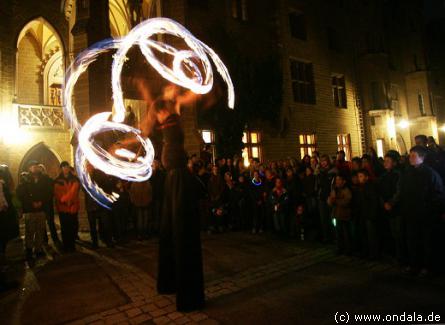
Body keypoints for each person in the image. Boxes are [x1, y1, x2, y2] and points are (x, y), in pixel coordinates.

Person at [151, 97, 205, 312]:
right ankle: (170, 283)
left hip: (178, 180)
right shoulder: (167, 123)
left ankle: (186, 293)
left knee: (181, 234)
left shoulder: (171, 121)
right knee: (170, 233)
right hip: (173, 180)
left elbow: (182, 96)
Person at [399, 146, 444, 276]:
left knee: (426, 242)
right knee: (413, 241)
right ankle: (414, 264)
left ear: (422, 158)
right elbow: (403, 192)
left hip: (426, 216)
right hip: (411, 214)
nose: (410, 158)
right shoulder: (407, 173)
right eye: (410, 155)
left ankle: (427, 267)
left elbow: (438, 195)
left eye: (414, 156)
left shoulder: (430, 174)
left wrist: (431, 211)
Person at [16, 160, 52, 261]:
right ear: (29, 168)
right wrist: (31, 202)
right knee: (30, 231)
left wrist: (42, 202)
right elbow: (21, 194)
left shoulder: (44, 179)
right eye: (32, 166)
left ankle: (39, 249)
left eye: (36, 166)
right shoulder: (25, 179)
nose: (35, 168)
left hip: (41, 209)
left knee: (40, 230)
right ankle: (29, 250)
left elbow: (48, 192)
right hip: (29, 210)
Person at [54, 161, 80, 252]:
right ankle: (66, 245)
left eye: (67, 167)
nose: (66, 168)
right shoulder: (57, 180)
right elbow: (58, 194)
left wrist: (66, 199)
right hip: (63, 208)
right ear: (61, 168)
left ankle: (72, 245)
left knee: (72, 227)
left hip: (72, 207)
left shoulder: (75, 179)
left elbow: (75, 192)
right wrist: (64, 200)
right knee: (65, 228)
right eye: (64, 167)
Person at [357, 169, 380, 259]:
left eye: (361, 176)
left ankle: (374, 253)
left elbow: (373, 202)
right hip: (364, 214)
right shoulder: (362, 187)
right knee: (365, 234)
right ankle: (368, 252)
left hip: (369, 215)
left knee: (371, 236)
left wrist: (372, 214)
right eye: (358, 176)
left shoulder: (369, 187)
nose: (359, 178)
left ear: (366, 177)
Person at [328, 174, 352, 255]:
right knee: (338, 232)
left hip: (344, 215)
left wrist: (336, 201)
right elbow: (329, 201)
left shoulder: (346, 190)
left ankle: (348, 249)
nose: (337, 181)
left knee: (346, 233)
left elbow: (347, 201)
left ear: (343, 181)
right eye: (336, 180)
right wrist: (331, 200)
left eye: (339, 180)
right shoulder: (334, 190)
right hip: (336, 215)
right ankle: (339, 248)